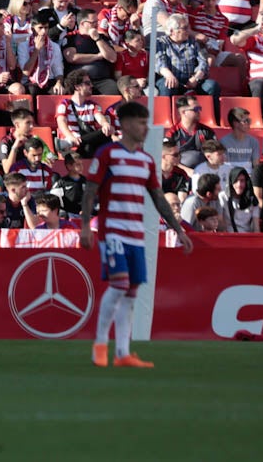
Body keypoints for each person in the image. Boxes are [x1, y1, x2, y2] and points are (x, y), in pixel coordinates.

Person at [81, 100, 194, 368]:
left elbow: (158, 197)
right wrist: (86, 226)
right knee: (119, 285)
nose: (146, 128)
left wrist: (178, 229)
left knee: (131, 291)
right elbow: (89, 192)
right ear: (127, 124)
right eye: (142, 123)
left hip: (136, 233)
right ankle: (99, 344)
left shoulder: (145, 161)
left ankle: (122, 353)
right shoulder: (107, 154)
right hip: (113, 232)